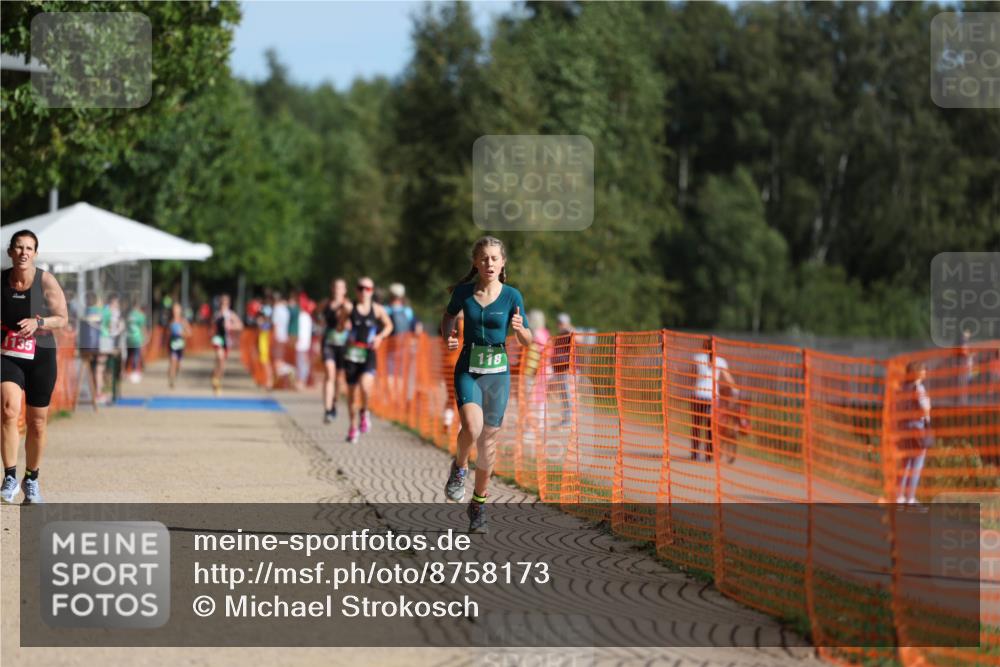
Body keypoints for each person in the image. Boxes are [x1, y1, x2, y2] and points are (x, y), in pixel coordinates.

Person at [441, 236, 532, 533]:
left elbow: (528, 339)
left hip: (498, 374)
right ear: (475, 262)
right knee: (471, 427)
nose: (489, 263)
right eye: (483, 258)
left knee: (489, 441)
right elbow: (448, 316)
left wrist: (519, 332)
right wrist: (449, 334)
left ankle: (478, 505)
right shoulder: (465, 293)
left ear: (503, 262)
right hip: (468, 368)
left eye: (494, 258)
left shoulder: (512, 296)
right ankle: (460, 467)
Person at [1, 230, 69, 504]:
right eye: (19, 247)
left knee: (37, 423)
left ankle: (31, 478)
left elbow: (62, 318)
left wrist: (39, 322)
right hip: (7, 351)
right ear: (10, 252)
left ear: (35, 254)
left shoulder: (45, 281)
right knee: (8, 409)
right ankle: (9, 476)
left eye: (29, 248)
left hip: (41, 353)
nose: (24, 253)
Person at [340, 277, 393, 444]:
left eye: (368, 289)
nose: (364, 292)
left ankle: (365, 412)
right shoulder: (349, 307)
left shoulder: (377, 309)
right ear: (356, 290)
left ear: (372, 291)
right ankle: (352, 426)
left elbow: (389, 326)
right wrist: (344, 327)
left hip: (368, 353)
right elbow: (340, 326)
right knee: (351, 393)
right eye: (361, 288)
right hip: (352, 354)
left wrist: (380, 337)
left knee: (365, 387)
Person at [690, 337, 736, 463]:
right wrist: (735, 390)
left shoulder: (697, 358)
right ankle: (709, 455)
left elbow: (692, 376)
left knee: (696, 425)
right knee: (711, 426)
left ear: (703, 346)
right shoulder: (720, 361)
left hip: (698, 395)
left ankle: (694, 453)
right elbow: (728, 378)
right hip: (712, 397)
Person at [896, 361, 932, 504]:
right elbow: (924, 409)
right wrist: (928, 405)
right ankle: (910, 498)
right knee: (916, 465)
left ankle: (899, 497)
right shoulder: (919, 388)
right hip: (917, 427)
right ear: (917, 372)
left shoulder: (903, 387)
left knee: (905, 464)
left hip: (904, 427)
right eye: (923, 369)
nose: (925, 372)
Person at [320, 279, 349, 422]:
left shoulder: (348, 305)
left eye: (341, 287)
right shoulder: (326, 304)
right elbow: (319, 317)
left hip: (343, 345)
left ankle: (334, 402)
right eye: (336, 287)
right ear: (332, 289)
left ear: (345, 290)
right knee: (329, 373)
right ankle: (327, 409)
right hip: (328, 343)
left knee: (339, 378)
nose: (338, 290)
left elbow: (351, 323)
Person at [385, 283, 416, 402]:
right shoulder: (408, 311)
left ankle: (392, 399)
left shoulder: (386, 310)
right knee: (400, 375)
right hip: (404, 347)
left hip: (389, 348)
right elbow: (415, 328)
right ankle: (397, 400)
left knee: (390, 375)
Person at [210, 294, 244, 395]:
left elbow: (240, 326)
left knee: (222, 365)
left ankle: (217, 380)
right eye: (222, 302)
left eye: (226, 303)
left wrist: (231, 326)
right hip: (218, 339)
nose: (224, 305)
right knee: (220, 358)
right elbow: (212, 327)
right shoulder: (217, 314)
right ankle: (215, 379)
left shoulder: (231, 314)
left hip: (227, 341)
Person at [551, 313, 575, 427]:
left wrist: (569, 328)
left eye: (562, 323)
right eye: (559, 323)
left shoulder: (571, 334)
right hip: (559, 369)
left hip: (568, 370)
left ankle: (570, 419)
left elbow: (580, 338)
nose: (559, 325)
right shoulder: (559, 336)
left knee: (568, 395)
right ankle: (566, 418)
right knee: (564, 395)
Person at [167, 301, 191, 389]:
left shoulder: (183, 321)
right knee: (172, 361)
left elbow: (189, 333)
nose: (175, 311)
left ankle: (174, 375)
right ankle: (171, 380)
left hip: (180, 346)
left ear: (180, 311)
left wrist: (182, 333)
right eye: (174, 309)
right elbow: (167, 333)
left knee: (178, 365)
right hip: (172, 345)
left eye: (177, 309)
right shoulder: (170, 321)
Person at [124, 299, 148, 383]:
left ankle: (126, 373)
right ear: (137, 306)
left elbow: (126, 326)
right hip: (137, 338)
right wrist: (145, 337)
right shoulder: (140, 315)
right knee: (136, 356)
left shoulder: (129, 315)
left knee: (129, 355)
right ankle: (134, 373)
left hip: (128, 338)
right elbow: (142, 327)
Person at [295, 296, 315, 391]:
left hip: (302, 344)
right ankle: (301, 381)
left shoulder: (303, 316)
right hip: (304, 344)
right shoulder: (306, 316)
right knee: (302, 363)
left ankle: (301, 381)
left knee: (302, 363)